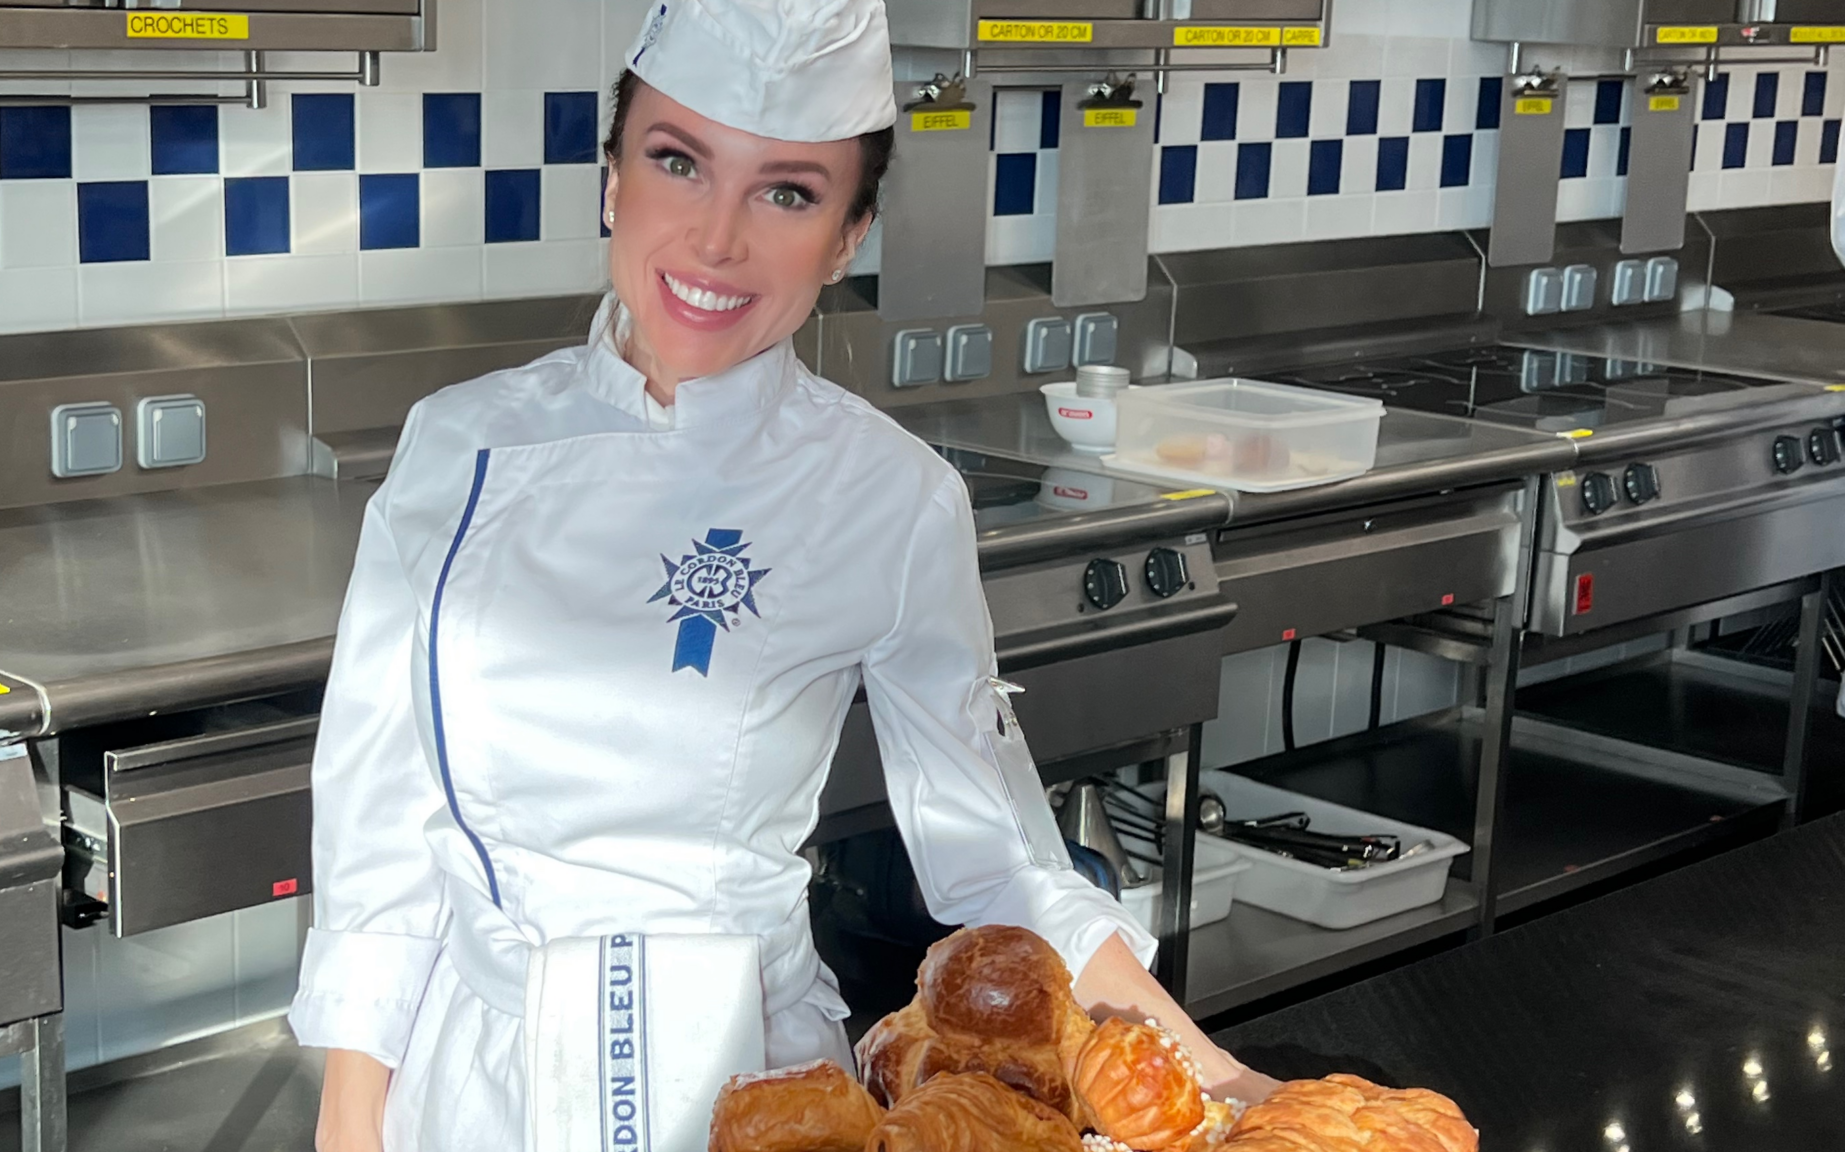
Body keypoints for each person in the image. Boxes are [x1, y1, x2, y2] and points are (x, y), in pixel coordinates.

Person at [289, 1, 1276, 1147]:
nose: (716, 240)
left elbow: (997, 858)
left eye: (787, 192)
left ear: (848, 234)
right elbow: (378, 824)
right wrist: (348, 1121)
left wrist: (1222, 1085)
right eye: (677, 163)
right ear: (611, 179)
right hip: (471, 1088)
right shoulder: (456, 447)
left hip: (758, 1095)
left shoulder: (889, 496)